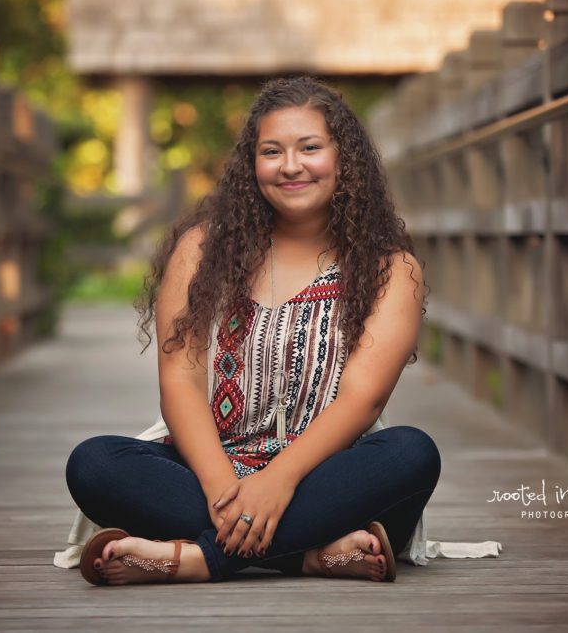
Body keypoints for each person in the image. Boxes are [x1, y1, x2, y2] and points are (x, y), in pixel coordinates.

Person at [64, 76, 441, 585]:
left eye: (310, 148)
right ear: (251, 164)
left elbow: (362, 401)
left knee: (411, 454)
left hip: (327, 478)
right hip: (210, 471)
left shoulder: (391, 269)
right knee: (94, 464)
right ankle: (312, 555)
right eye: (272, 151)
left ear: (344, 158)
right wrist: (226, 486)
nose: (291, 166)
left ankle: (190, 561)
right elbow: (179, 381)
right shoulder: (202, 250)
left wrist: (278, 481)